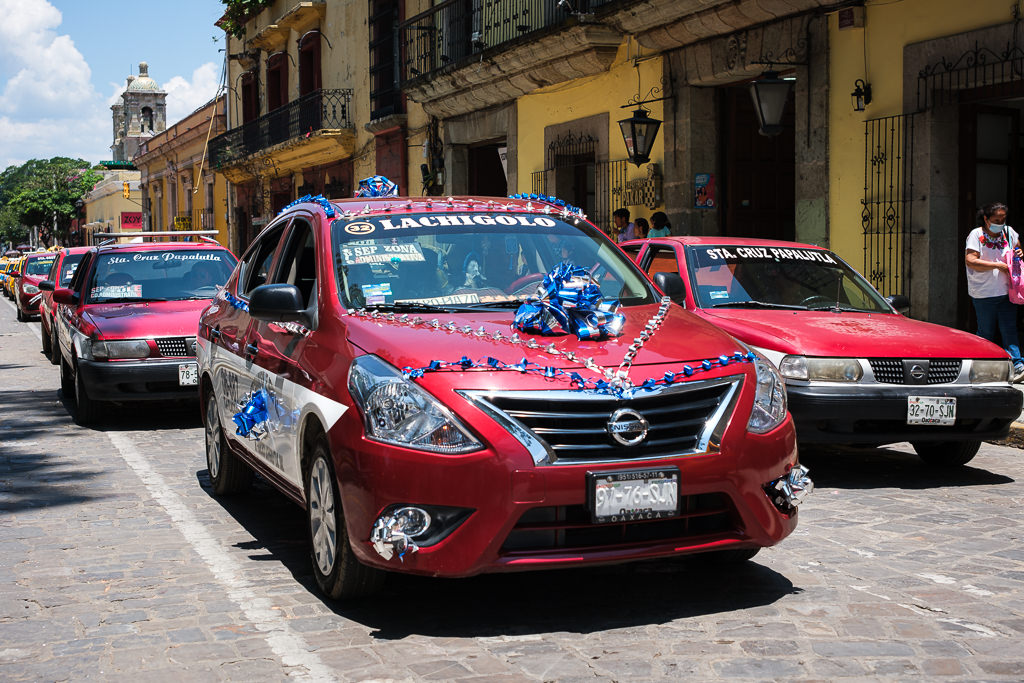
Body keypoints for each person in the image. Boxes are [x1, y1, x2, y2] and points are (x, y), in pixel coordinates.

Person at [965, 202, 1024, 382]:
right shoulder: (976, 235)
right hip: (983, 293)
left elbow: (1017, 249)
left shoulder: (1009, 232)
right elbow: (971, 260)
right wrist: (996, 265)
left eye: (1003, 218)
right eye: (996, 219)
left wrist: (1019, 253)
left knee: (1009, 330)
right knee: (986, 332)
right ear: (986, 218)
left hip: (1007, 292)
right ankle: (982, 365)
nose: (1000, 222)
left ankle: (1017, 365)